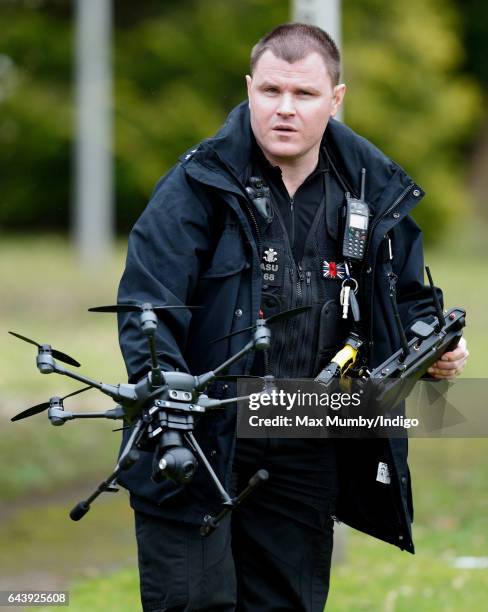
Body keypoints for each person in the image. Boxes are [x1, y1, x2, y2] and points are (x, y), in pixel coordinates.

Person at [117, 23, 469, 612]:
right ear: (249, 88)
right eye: (270, 91)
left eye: (304, 95)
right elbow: (146, 308)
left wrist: (433, 349)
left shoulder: (374, 190)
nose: (284, 109)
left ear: (335, 100)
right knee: (190, 603)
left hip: (308, 427)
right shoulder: (197, 183)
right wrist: (169, 401)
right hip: (201, 429)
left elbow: (411, 300)